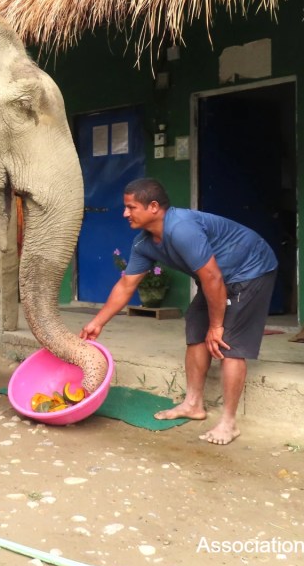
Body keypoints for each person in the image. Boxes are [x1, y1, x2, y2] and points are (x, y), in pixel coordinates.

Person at [80, 178, 277, 445]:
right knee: (196, 324)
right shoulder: (143, 243)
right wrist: (98, 322)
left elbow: (212, 277)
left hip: (250, 269)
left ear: (153, 207)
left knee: (228, 342)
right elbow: (127, 285)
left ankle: (229, 423)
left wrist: (217, 325)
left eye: (131, 207)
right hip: (218, 277)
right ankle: (193, 404)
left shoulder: (181, 229)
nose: (125, 213)